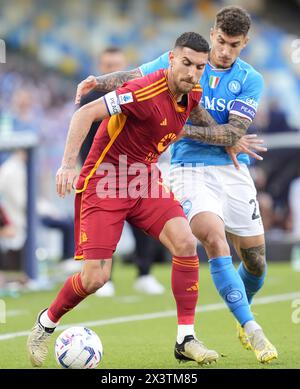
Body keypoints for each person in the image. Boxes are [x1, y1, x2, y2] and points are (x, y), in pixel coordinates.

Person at [74, 6, 278, 364]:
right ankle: (252, 329)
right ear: (213, 32)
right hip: (188, 168)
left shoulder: (251, 79)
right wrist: (98, 81)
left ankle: (242, 306)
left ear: (245, 43)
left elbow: (233, 133)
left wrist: (177, 126)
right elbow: (136, 75)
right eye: (221, 40)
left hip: (233, 169)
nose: (225, 50)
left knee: (256, 263)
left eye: (234, 44)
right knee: (213, 238)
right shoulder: (189, 60)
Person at [27, 32, 222, 367]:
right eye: (187, 63)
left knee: (186, 243)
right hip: (105, 180)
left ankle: (185, 339)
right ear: (171, 59)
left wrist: (229, 139)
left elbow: (200, 120)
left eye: (200, 67)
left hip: (144, 179)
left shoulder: (193, 94)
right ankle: (46, 323)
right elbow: (84, 114)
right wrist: (67, 165)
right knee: (95, 279)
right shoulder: (143, 90)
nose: (192, 73)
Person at [80, 47, 165, 297]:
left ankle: (145, 274)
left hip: (136, 170)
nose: (112, 70)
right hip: (104, 172)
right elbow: (85, 141)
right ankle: (107, 279)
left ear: (125, 66)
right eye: (108, 65)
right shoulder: (89, 100)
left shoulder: (140, 94)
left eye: (117, 65)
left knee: (144, 225)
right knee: (108, 227)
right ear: (100, 66)